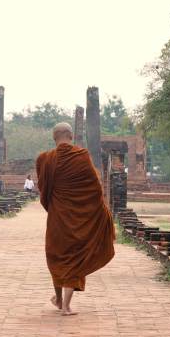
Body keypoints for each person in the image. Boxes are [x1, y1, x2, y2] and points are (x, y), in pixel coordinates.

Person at [35, 122, 115, 316]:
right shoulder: (81, 156)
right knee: (75, 257)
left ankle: (60, 299)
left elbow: (43, 190)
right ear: (70, 136)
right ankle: (65, 305)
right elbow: (94, 187)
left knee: (56, 256)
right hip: (79, 218)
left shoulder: (45, 159)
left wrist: (53, 206)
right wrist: (101, 212)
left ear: (54, 137)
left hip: (57, 218)